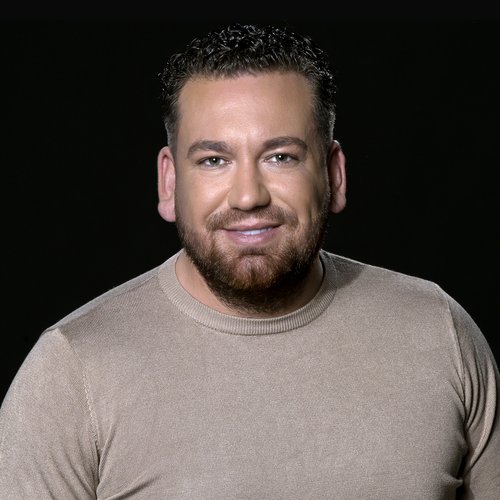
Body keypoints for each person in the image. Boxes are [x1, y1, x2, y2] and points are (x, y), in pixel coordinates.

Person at [1, 22, 498, 499]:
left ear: (334, 174)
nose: (247, 196)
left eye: (280, 156)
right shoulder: (72, 371)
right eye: (213, 160)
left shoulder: (439, 332)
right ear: (170, 183)